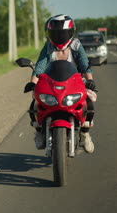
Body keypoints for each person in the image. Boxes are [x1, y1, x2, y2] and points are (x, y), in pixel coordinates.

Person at [24, 14, 97, 153]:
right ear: (50, 34)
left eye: (63, 33)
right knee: (35, 103)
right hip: (51, 82)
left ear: (70, 32)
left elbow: (85, 65)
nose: (59, 36)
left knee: (89, 103)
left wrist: (90, 80)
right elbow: (39, 67)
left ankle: (85, 133)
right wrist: (32, 83)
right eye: (56, 33)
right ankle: (39, 131)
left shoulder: (76, 46)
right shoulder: (48, 47)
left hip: (75, 82)